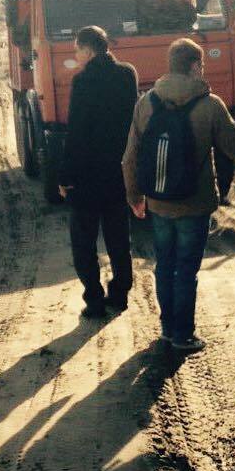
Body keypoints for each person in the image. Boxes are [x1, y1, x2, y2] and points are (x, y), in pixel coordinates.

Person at [122, 38, 235, 352]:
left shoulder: (146, 103)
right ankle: (184, 335)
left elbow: (129, 156)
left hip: (158, 200)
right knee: (186, 269)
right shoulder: (211, 105)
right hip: (195, 203)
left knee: (163, 265)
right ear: (196, 66)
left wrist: (134, 196)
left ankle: (168, 330)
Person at [59, 26, 139, 318]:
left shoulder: (83, 81)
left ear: (89, 50)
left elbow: (76, 132)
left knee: (84, 241)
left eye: (77, 51)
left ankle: (94, 299)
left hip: (88, 176)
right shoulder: (127, 74)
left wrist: (65, 177)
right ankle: (119, 294)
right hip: (119, 171)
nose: (76, 56)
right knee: (119, 238)